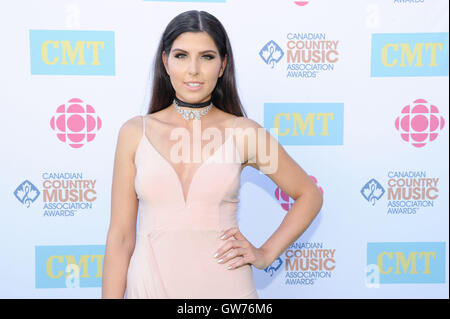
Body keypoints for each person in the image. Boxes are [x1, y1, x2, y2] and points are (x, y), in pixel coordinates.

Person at [102, 10, 323, 299]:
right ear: (165, 61)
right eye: (181, 55)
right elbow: (120, 238)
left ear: (222, 65)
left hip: (226, 285)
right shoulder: (134, 133)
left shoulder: (245, 133)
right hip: (150, 283)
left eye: (206, 57)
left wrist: (266, 254)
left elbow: (309, 194)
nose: (193, 69)